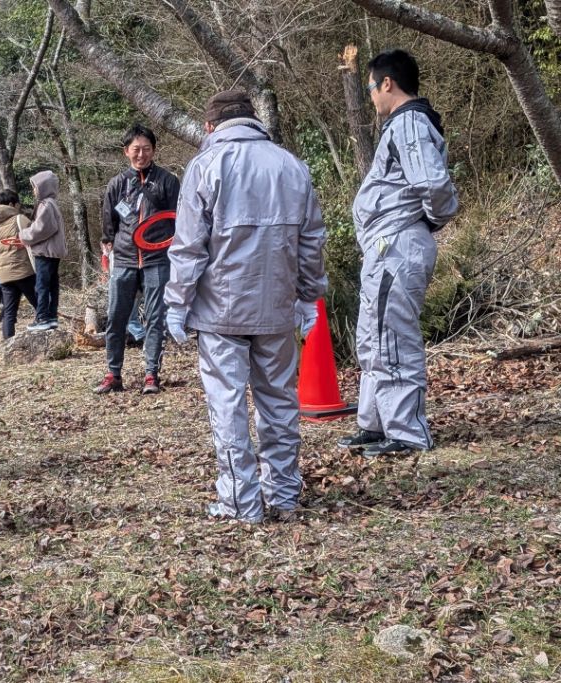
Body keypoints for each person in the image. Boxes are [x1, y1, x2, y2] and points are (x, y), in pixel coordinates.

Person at [165, 90, 327, 523]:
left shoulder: (205, 166)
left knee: (229, 404)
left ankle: (241, 501)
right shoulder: (291, 165)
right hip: (277, 303)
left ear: (210, 127)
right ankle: (284, 494)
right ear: (253, 120)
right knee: (279, 401)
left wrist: (176, 303)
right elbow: (311, 241)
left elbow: (188, 248)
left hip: (221, 309)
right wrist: (310, 297)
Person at [338, 49, 459, 458]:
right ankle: (376, 423)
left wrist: (426, 221)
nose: (371, 95)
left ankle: (407, 429)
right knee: (373, 336)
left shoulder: (409, 123)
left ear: (387, 83)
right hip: (385, 246)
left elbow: (435, 186)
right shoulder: (402, 125)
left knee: (392, 337)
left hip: (398, 243)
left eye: (371, 87)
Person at [96, 124, 180, 395]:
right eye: (136, 149)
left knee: (156, 317)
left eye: (146, 149)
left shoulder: (168, 181)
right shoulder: (117, 184)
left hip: (158, 258)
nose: (141, 154)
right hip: (124, 258)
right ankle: (113, 373)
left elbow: (178, 220)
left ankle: (151, 374)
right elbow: (108, 225)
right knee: (116, 317)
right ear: (126, 152)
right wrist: (107, 254)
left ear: (154, 150)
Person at [0, 189, 38, 338]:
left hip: (4, 277)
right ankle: (50, 333)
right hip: (24, 271)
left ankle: (8, 344)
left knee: (9, 312)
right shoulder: (20, 219)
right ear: (11, 204)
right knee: (40, 304)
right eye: (17, 204)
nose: (18, 207)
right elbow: (35, 238)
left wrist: (2, 263)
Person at [20, 171, 68, 331]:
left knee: (42, 285)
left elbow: (41, 229)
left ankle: (42, 318)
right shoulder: (51, 203)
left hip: (45, 251)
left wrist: (23, 235)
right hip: (53, 251)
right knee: (52, 284)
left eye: (35, 187)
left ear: (43, 187)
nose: (33, 191)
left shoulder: (45, 205)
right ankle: (51, 317)